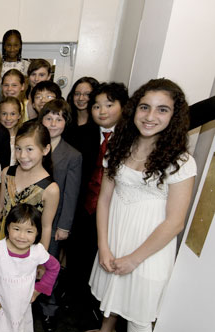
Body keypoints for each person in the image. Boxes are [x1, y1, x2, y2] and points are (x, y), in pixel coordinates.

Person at [89, 78, 197, 332]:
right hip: (114, 239)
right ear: (134, 110)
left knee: (139, 317)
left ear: (175, 116)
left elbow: (175, 222)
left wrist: (135, 259)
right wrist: (103, 246)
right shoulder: (117, 147)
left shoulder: (181, 162)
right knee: (110, 301)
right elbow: (104, 200)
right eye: (144, 107)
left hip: (148, 251)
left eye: (162, 109)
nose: (150, 116)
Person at [64, 82, 128, 330]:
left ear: (123, 107)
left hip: (117, 214)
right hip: (83, 210)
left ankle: (104, 313)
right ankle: (79, 310)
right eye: (96, 106)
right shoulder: (82, 135)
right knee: (79, 261)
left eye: (109, 105)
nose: (102, 111)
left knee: (107, 264)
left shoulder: (132, 137)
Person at [0, 204, 60, 332]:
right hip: (0, 309)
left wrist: (39, 289)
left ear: (37, 232)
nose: (22, 236)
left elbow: (54, 267)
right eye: (16, 229)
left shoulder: (37, 251)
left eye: (29, 231)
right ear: (7, 227)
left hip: (23, 309)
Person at [0, 121, 59, 250]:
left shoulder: (50, 189)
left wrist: (41, 260)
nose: (22, 155)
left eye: (29, 149)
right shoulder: (7, 173)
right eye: (18, 149)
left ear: (45, 149)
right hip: (2, 244)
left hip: (28, 250)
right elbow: (0, 209)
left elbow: (46, 227)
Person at [39, 99, 82, 258]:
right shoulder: (32, 147)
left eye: (59, 119)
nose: (53, 124)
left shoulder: (73, 155)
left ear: (66, 123)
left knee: (47, 264)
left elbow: (71, 194)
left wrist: (64, 226)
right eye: (49, 119)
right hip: (29, 217)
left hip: (54, 221)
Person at [64, 76, 99, 145]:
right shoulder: (65, 120)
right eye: (77, 94)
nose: (81, 98)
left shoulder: (99, 125)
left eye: (87, 94)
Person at [0, 96, 24, 166]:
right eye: (4, 114)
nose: (8, 118)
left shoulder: (24, 135)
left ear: (19, 115)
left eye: (13, 114)